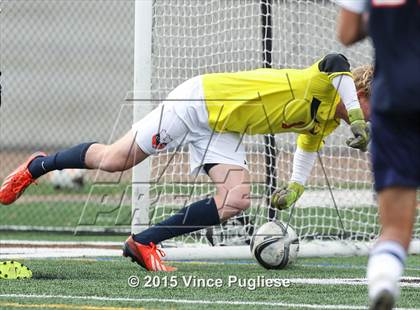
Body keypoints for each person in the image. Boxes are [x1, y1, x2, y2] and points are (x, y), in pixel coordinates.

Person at [0, 53, 371, 272]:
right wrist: (356, 116)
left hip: (223, 128)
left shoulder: (324, 121)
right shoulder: (325, 81)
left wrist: (295, 188)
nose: (374, 115)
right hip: (198, 103)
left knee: (235, 200)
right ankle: (37, 167)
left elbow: (306, 150)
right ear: (360, 92)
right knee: (116, 160)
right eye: (374, 105)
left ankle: (142, 243)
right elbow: (337, 62)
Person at [336, 1, 420, 309]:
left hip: (394, 99)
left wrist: (391, 23)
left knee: (395, 228)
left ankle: (383, 282)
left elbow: (346, 33)